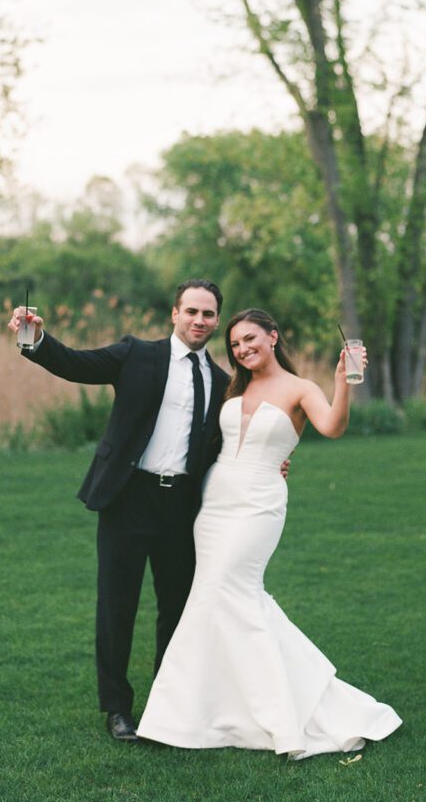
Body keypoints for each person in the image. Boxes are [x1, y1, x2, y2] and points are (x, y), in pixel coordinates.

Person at [137, 308, 402, 759]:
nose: (242, 349)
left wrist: (343, 383)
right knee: (212, 595)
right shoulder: (232, 386)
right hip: (216, 501)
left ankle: (283, 711)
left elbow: (332, 428)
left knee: (231, 589)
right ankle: (191, 714)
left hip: (259, 504)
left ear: (273, 337)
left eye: (250, 339)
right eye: (236, 344)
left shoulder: (301, 389)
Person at [8, 280, 235, 743]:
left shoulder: (222, 382)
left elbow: (230, 443)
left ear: (216, 321)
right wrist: (34, 338)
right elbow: (74, 363)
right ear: (174, 313)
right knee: (117, 606)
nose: (199, 321)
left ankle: (168, 703)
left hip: (183, 506)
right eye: (191, 311)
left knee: (177, 609)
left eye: (208, 314)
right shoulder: (137, 355)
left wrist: (275, 462)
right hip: (128, 498)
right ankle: (117, 709)